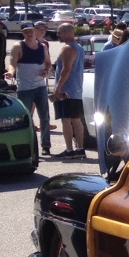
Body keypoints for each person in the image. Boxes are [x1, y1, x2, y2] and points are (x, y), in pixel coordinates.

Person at [8, 25, 51, 156]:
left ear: (35, 31)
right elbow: (12, 64)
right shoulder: (18, 46)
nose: (29, 34)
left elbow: (48, 63)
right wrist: (10, 73)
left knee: (45, 117)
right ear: (22, 33)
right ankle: (27, 145)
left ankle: (46, 146)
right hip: (25, 88)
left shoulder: (42, 46)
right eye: (26, 32)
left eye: (31, 31)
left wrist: (46, 70)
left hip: (40, 87)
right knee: (25, 118)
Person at [52, 22, 87, 159]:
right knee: (76, 120)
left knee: (66, 120)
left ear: (68, 32)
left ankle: (69, 150)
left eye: (59, 32)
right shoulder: (79, 48)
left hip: (66, 90)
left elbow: (66, 69)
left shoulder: (68, 49)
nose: (58, 35)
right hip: (77, 89)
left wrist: (58, 88)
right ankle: (80, 148)